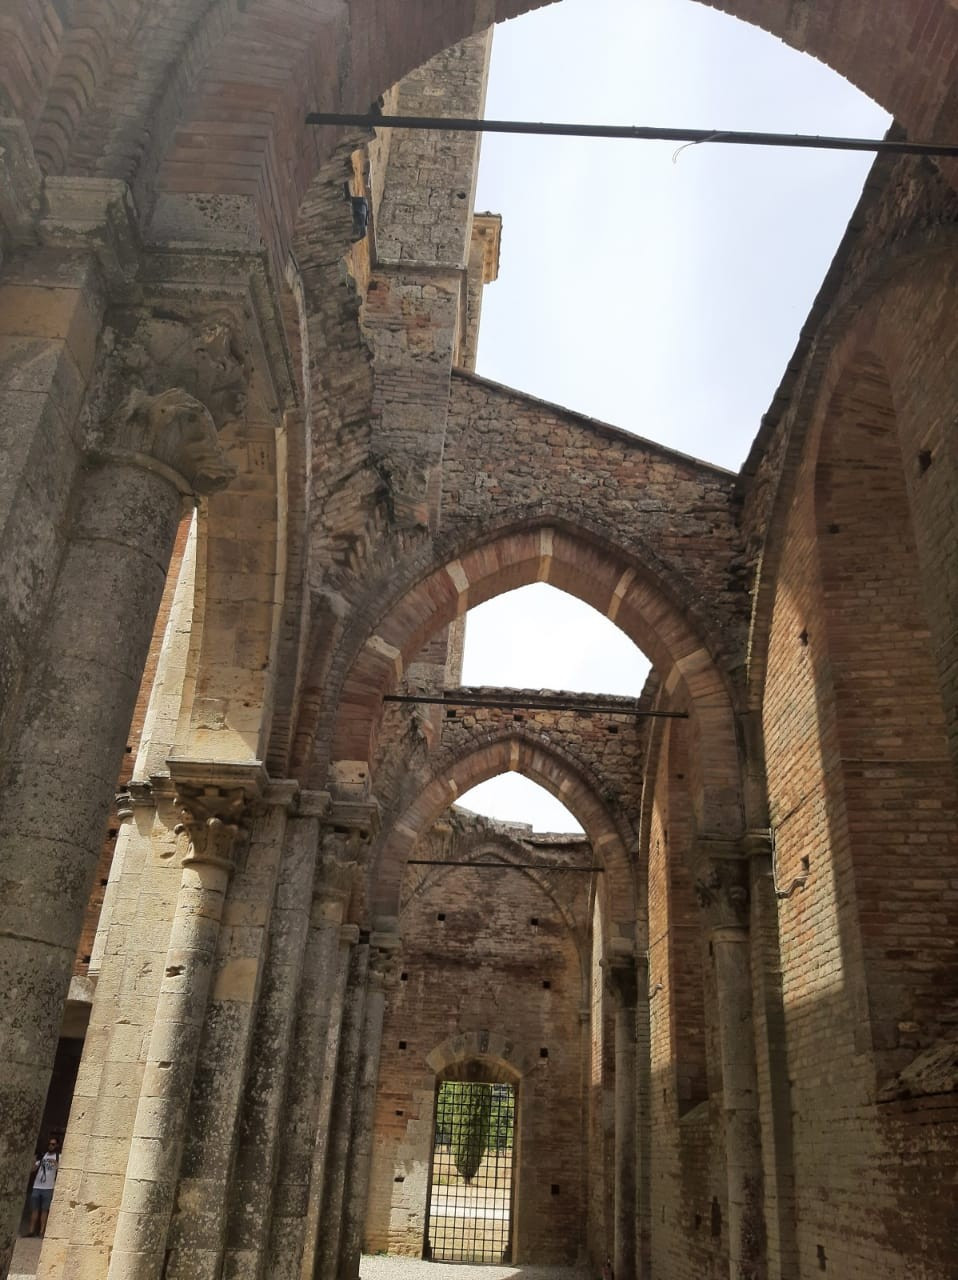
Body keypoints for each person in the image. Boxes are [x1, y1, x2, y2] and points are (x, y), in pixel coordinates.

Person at [29, 1137, 59, 1237]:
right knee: (34, 1209)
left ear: (57, 1146)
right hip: (37, 1186)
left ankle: (42, 1232)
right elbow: (33, 1169)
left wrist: (56, 1164)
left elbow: (61, 1170)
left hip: (48, 1187)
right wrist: (33, 1161)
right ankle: (31, 1231)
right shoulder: (43, 1156)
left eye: (53, 1144)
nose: (51, 1146)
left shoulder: (58, 1157)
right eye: (50, 1144)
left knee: (45, 1210)